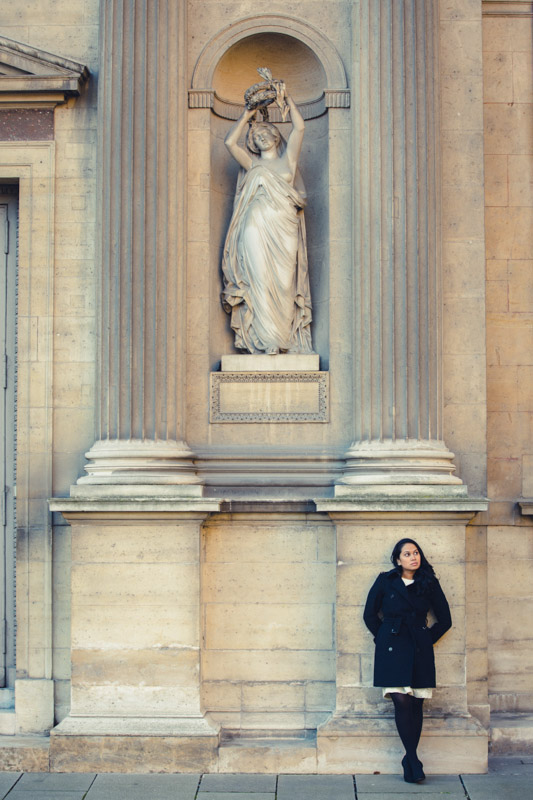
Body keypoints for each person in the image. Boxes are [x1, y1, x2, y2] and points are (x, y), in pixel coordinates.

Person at [221, 82, 313, 355]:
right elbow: (229, 142)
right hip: (254, 227)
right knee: (258, 279)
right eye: (256, 135)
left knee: (284, 283)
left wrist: (288, 98)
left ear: (275, 136)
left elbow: (300, 128)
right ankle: (264, 341)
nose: (260, 137)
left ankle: (283, 339)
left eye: (265, 133)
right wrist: (248, 114)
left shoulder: (288, 163)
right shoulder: (253, 164)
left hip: (283, 229)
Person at [363, 538, 451, 783]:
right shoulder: (386, 580)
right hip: (392, 648)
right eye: (407, 554)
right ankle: (413, 759)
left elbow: (445, 620)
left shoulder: (428, 583)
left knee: (416, 704)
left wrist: (424, 638)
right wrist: (383, 636)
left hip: (419, 648)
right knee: (402, 701)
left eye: (416, 552)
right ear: (397, 559)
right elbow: (369, 615)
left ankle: (409, 760)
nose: (413, 557)